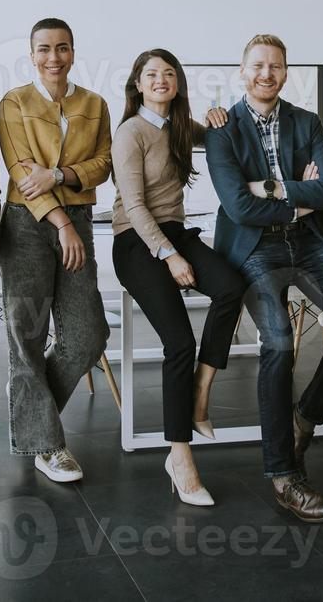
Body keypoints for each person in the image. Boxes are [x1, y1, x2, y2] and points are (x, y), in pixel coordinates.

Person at [204, 33, 323, 524]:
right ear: (243, 71)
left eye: (276, 66)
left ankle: (304, 417)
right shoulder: (222, 129)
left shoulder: (306, 122)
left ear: (286, 72)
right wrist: (297, 193)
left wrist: (272, 187)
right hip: (254, 248)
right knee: (279, 343)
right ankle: (284, 475)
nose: (267, 74)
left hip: (305, 242)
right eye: (258, 65)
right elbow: (237, 205)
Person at [110, 49, 244, 506]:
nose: (161, 80)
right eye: (151, 74)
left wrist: (220, 114)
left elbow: (225, 136)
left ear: (178, 84)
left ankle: (201, 393)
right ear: (138, 84)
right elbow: (133, 206)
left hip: (175, 233)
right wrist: (169, 257)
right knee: (180, 343)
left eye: (169, 73)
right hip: (136, 241)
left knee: (231, 286)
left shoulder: (182, 128)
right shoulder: (131, 132)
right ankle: (180, 454)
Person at [0, 18, 112, 483]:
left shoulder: (94, 104)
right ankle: (47, 445)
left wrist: (61, 177)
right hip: (26, 223)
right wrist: (61, 222)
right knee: (27, 332)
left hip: (78, 218)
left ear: (73, 52)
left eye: (62, 48)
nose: (53, 57)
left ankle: (27, 397)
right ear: (32, 54)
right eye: (44, 49)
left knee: (88, 334)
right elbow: (22, 168)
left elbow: (102, 163)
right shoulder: (14, 102)